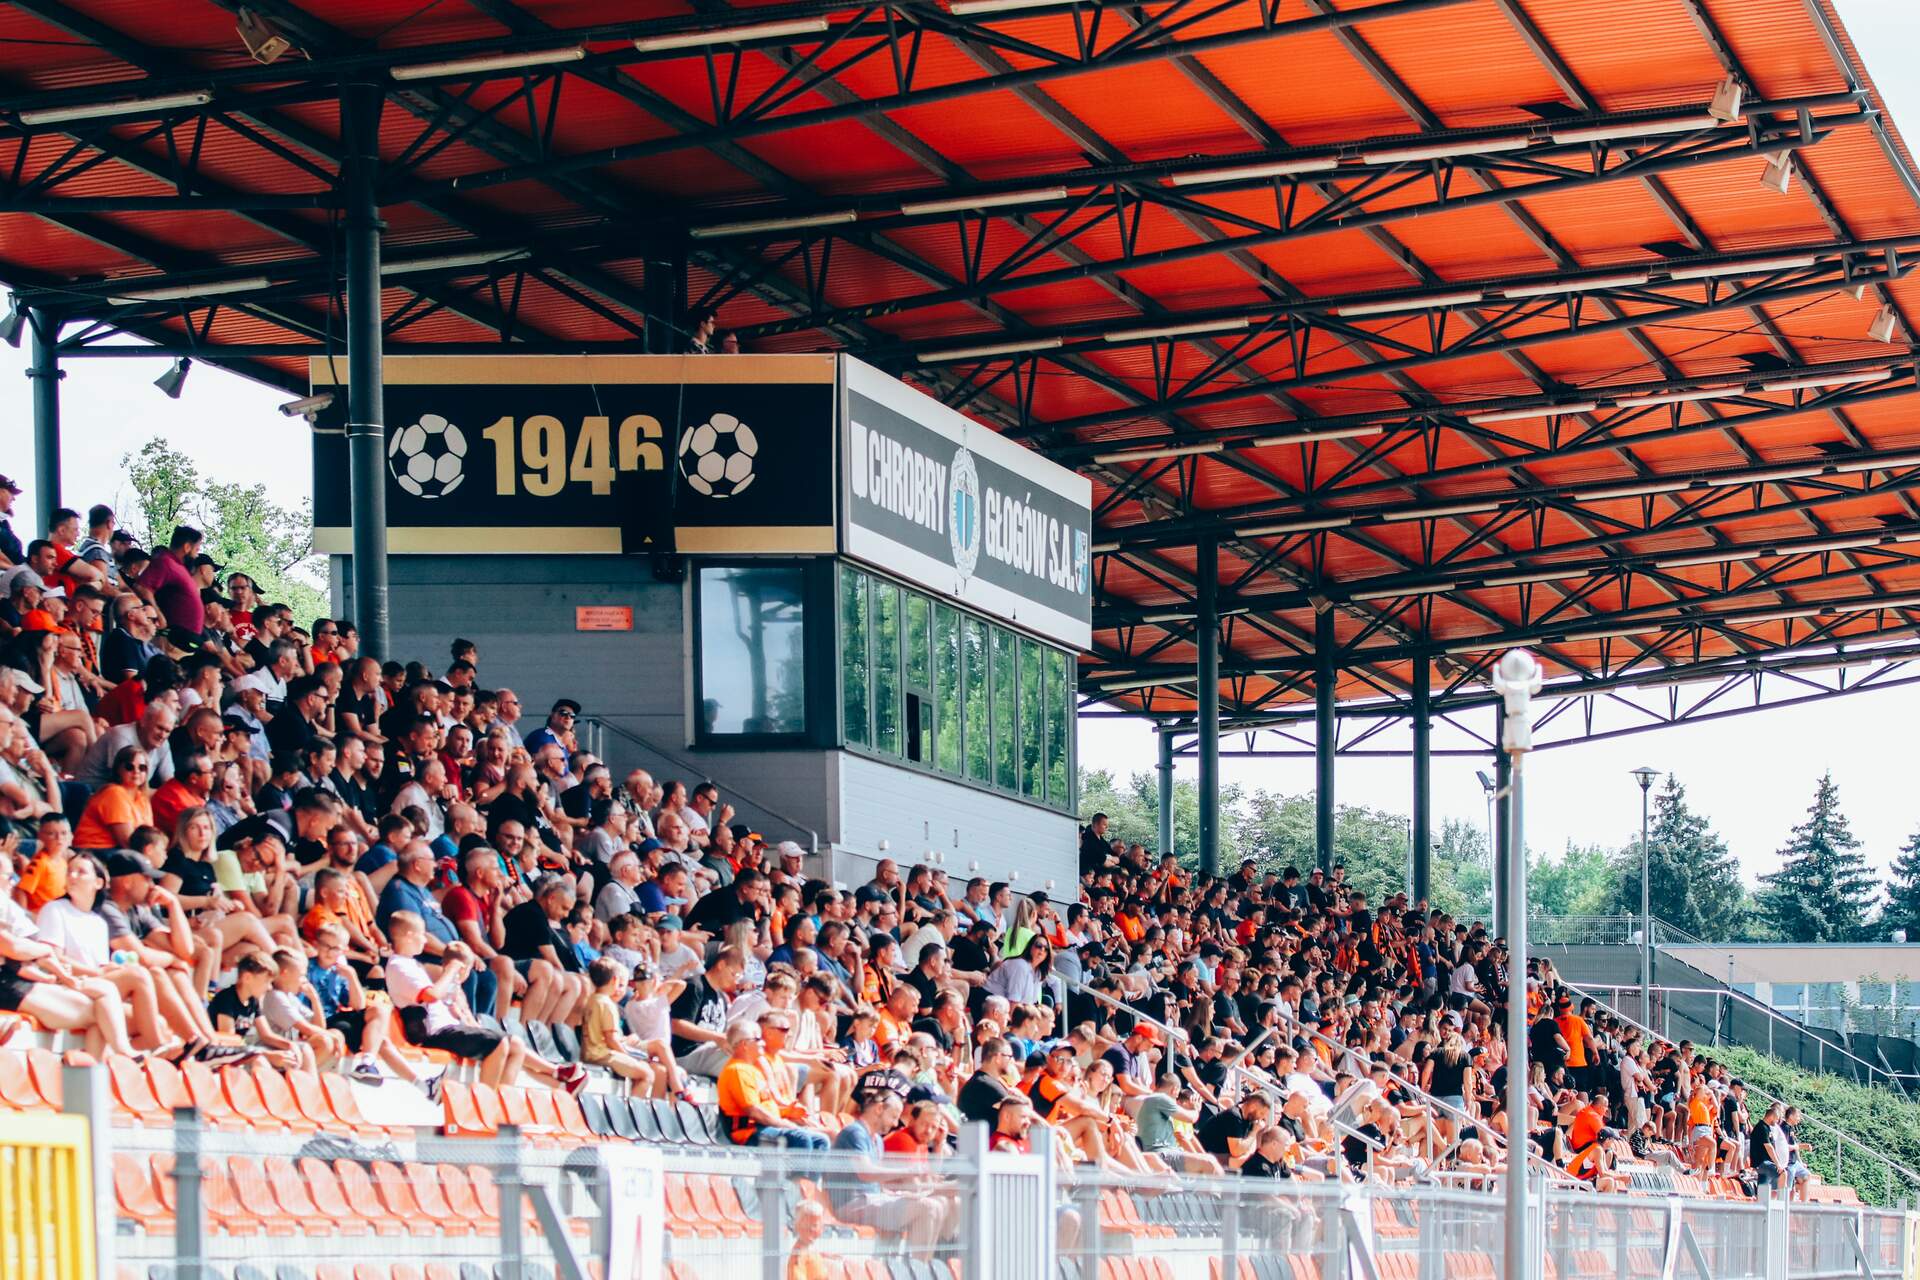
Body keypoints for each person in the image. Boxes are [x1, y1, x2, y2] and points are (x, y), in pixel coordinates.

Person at [384, 910, 583, 1092]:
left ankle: (519, 1093)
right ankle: (485, 1099)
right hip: (433, 1031)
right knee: (499, 1044)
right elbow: (432, 995)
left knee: (515, 1045)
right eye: (421, 934)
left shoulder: (412, 964)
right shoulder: (400, 966)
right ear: (409, 935)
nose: (425, 939)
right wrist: (451, 969)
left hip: (446, 1026)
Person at [826, 1071, 956, 1256]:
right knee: (928, 1207)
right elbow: (866, 1173)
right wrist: (909, 1171)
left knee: (935, 1205)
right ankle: (916, 1267)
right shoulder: (855, 1132)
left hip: (872, 1200)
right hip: (852, 1204)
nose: (896, 1123)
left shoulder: (877, 1140)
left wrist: (901, 1194)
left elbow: (878, 1185)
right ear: (879, 1109)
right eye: (894, 1116)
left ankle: (919, 1266)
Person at [715, 1021, 828, 1150]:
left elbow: (765, 1105)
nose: (763, 1042)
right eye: (758, 1039)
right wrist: (785, 1124)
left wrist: (789, 1111)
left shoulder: (751, 1069)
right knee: (801, 1137)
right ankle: (800, 1165)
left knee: (820, 1140)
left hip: (765, 1126)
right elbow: (754, 1112)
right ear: (744, 1044)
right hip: (749, 1133)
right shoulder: (737, 1071)